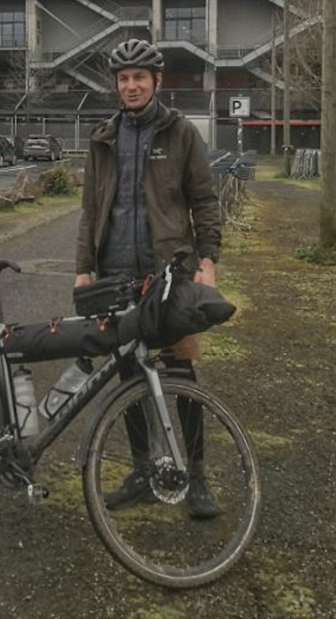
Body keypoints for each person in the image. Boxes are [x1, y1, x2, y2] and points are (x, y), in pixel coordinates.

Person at [74, 38, 222, 519]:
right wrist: (82, 269)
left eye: (139, 77)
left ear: (157, 81)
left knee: (182, 372)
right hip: (115, 274)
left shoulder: (180, 133)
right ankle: (142, 469)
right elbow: (91, 210)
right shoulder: (103, 138)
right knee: (128, 376)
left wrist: (208, 262)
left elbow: (204, 200)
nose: (131, 86)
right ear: (116, 86)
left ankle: (196, 477)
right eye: (123, 79)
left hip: (169, 273)